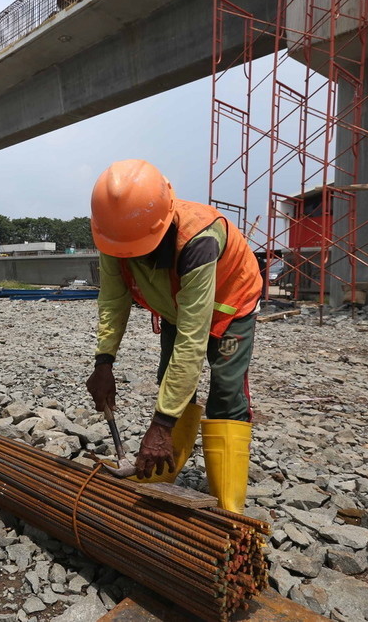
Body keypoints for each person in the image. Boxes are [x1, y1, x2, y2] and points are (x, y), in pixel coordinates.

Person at [85, 160, 262, 513]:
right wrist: (104, 361)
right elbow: (113, 299)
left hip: (229, 305)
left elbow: (192, 340)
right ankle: (165, 474)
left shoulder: (198, 239)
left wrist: (160, 424)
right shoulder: (113, 235)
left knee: (226, 392)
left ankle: (229, 509)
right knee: (171, 379)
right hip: (175, 307)